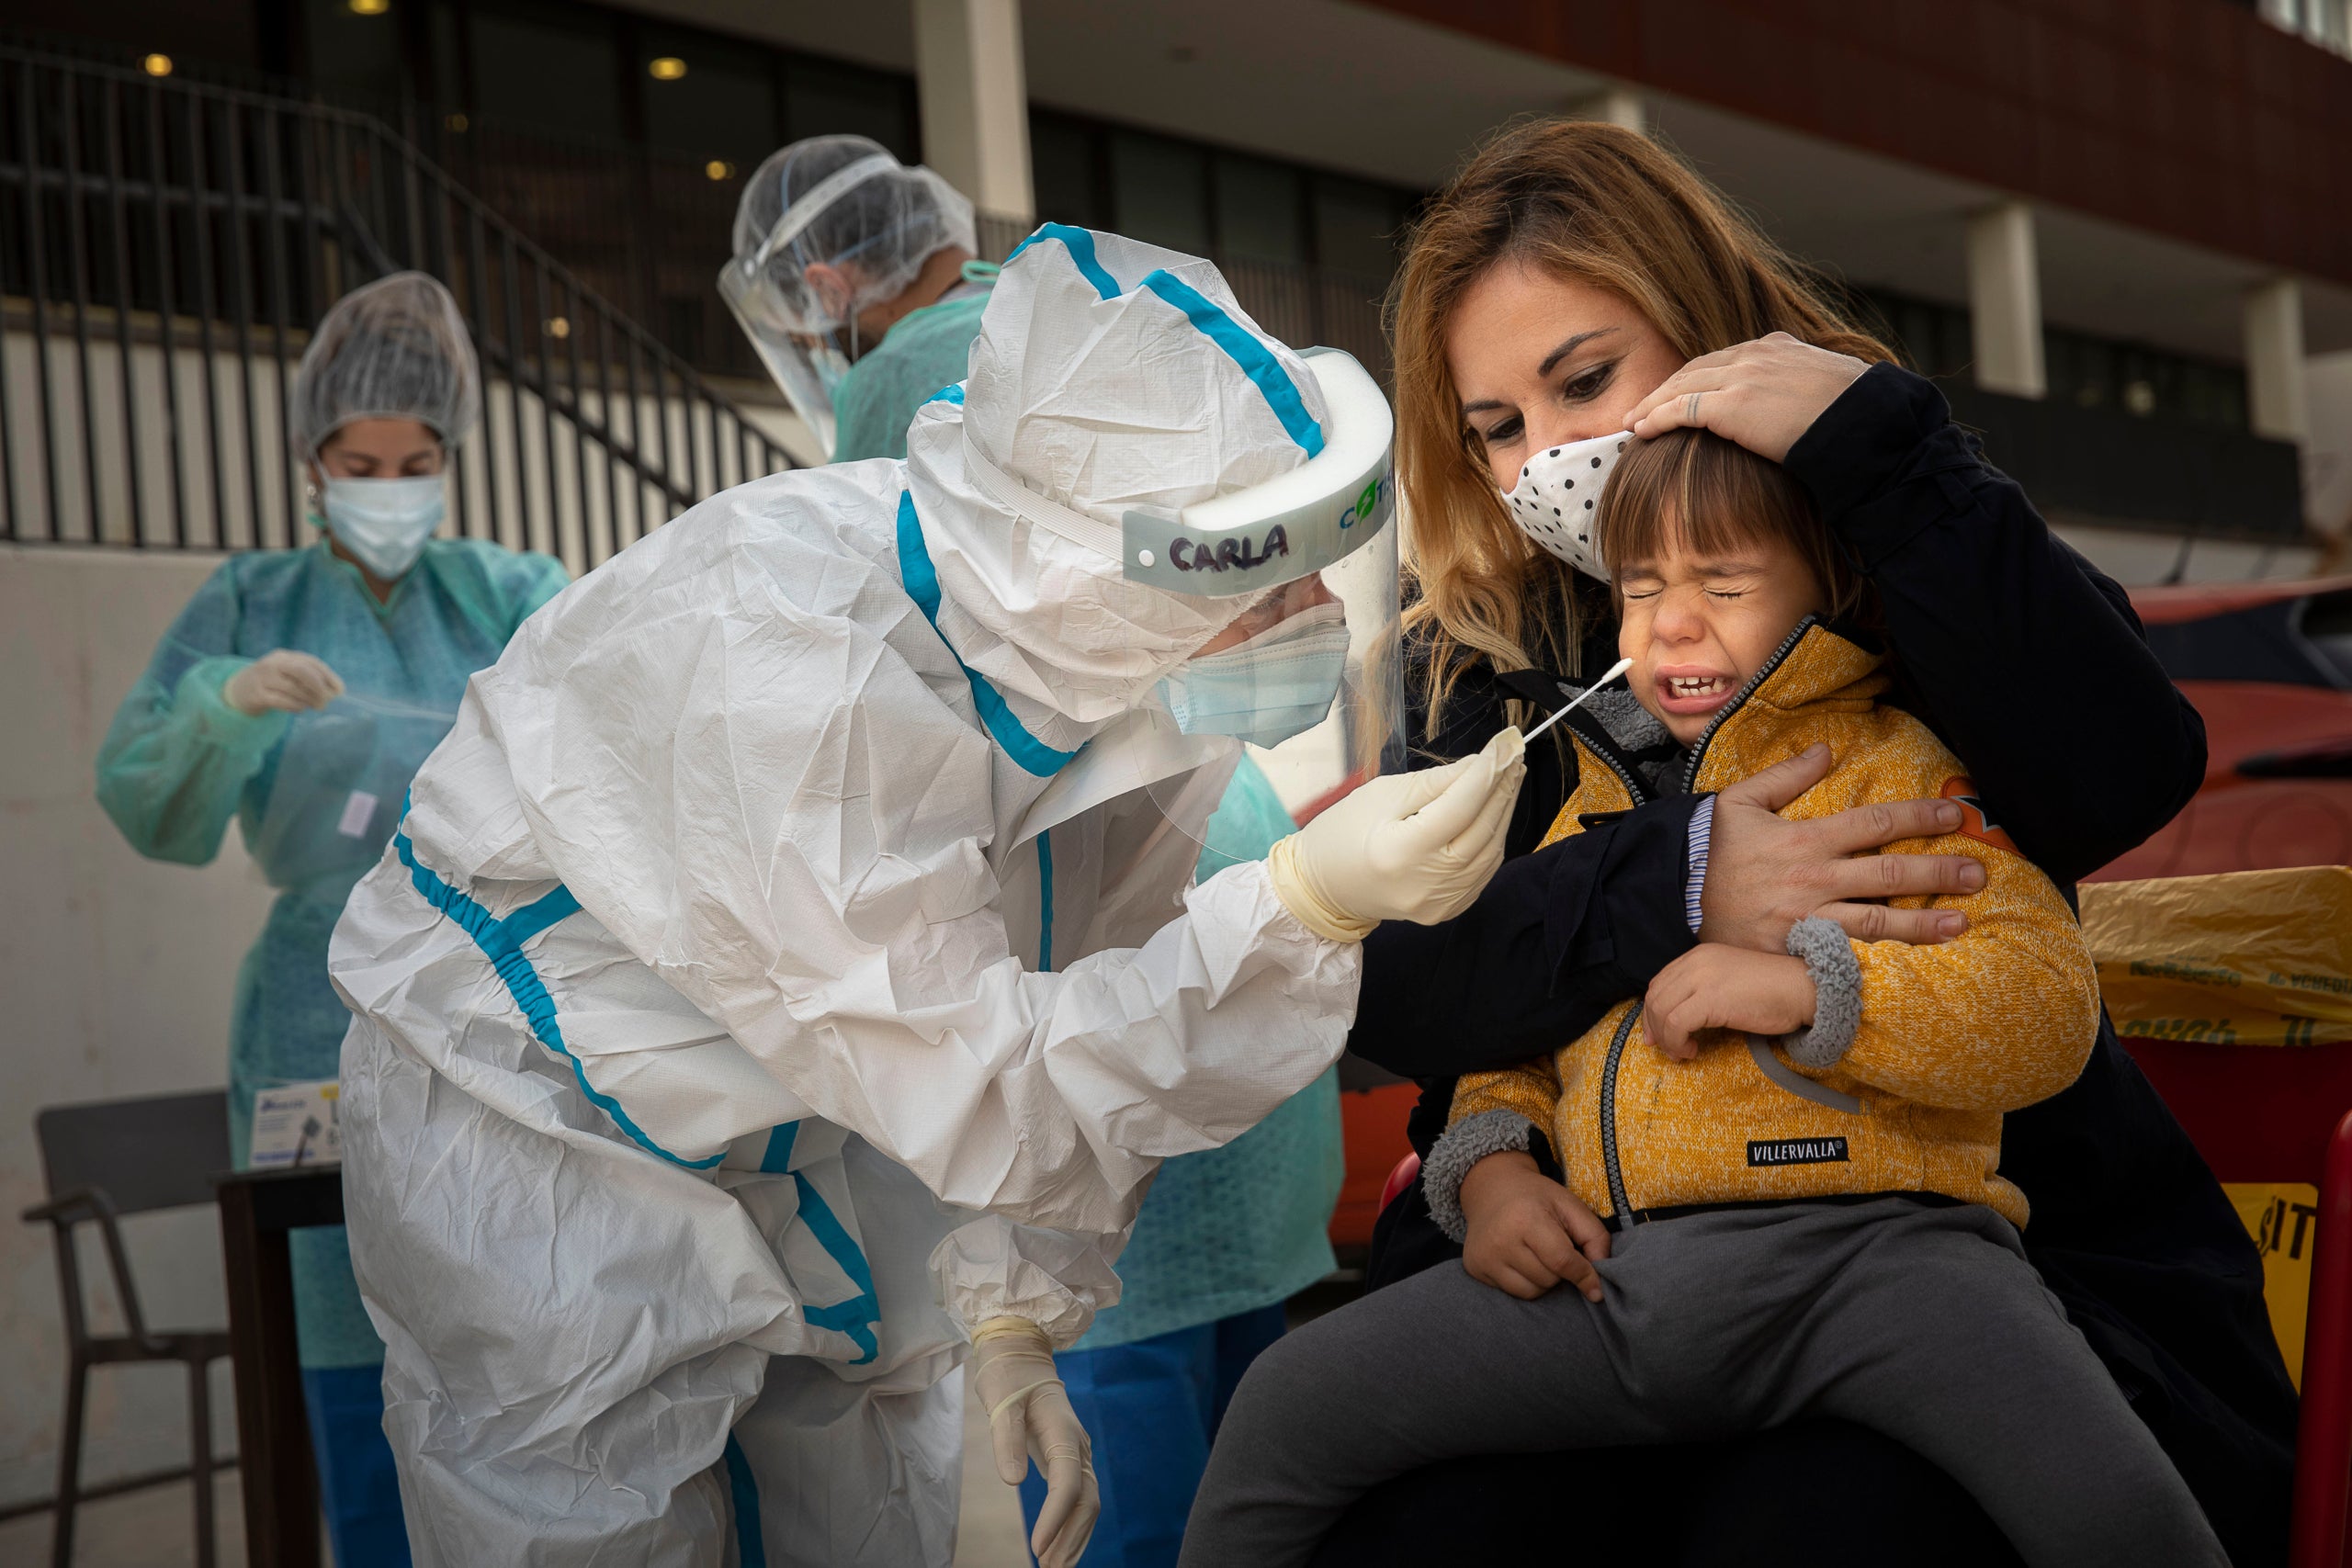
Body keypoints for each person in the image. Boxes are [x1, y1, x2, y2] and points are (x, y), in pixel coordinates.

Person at [327, 225, 1529, 1568]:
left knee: (857, 1517)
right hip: (532, 1111)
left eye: (1309, 569)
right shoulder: (791, 664)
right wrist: (1303, 903)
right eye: (1265, 580)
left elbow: (1084, 972)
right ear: (1090, 559)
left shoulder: (1118, 676)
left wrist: (1018, 1300)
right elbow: (986, 1073)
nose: (1305, 612)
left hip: (815, 1105)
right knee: (584, 1519)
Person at [1318, 119, 2294, 1568]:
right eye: (1498, 426)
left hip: (1952, 1252)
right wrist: (1684, 877)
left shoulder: (1891, 539)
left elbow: (2123, 771)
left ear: (1707, 332)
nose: (1551, 457)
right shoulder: (1472, 655)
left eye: (1586, 380)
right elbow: (1401, 989)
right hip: (1585, 1282)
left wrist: (1882, 459)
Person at [1182, 428, 2228, 1568]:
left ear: (1825, 585)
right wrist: (1490, 1175)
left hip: (1888, 1271)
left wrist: (1803, 987)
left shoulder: (1901, 768)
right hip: (1615, 1287)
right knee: (1286, 1402)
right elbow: (1513, 1035)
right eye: (1638, 590)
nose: (1671, 623)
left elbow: (2038, 1009)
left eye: (1723, 584)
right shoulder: (1586, 792)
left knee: (2121, 1510)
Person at [753, 163, 1355, 1564]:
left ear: (826, 283)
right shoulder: (1112, 354)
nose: (1313, 608)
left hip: (1093, 883)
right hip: (1196, 870)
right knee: (1259, 1475)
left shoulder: (921, 400)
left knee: (1146, 1485)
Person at [95, 272, 568, 1568]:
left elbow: (606, 722)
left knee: (513, 1329)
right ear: (313, 461)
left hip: (490, 985)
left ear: (450, 459)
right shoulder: (250, 603)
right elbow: (144, 792)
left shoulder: (509, 589)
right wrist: (221, 705)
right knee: (344, 1330)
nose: (390, 483)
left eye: (416, 460)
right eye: (361, 460)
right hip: (317, 1001)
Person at [721, 134, 999, 462]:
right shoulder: (1032, 299)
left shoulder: (891, 381)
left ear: (826, 286)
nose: (814, 346)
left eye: (807, 333)